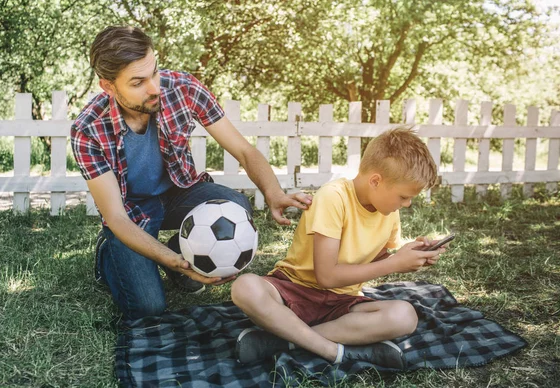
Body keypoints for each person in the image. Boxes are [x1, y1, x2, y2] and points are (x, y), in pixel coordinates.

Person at [70, 26, 312, 322]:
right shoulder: (87, 130)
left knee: (235, 204)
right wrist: (172, 261)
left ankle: (184, 256)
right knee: (147, 306)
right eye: (137, 83)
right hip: (130, 212)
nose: (154, 88)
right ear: (108, 86)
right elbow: (116, 217)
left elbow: (245, 151)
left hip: (178, 191)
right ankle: (109, 255)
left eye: (154, 73)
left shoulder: (183, 88)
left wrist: (273, 193)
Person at [231, 127, 445, 369]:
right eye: (404, 197)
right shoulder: (333, 197)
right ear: (376, 181)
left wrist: (408, 256)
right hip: (294, 290)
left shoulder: (388, 211)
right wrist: (393, 264)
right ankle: (332, 350)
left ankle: (282, 339)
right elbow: (326, 276)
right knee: (244, 287)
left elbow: (376, 261)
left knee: (405, 316)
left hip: (342, 303)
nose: (406, 205)